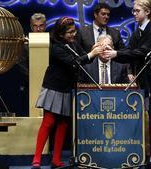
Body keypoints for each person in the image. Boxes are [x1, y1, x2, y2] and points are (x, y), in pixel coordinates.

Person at [103, 0, 151, 168]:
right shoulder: (136, 33)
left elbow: (141, 52)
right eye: (134, 11)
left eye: (137, 11)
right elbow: (130, 53)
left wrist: (116, 54)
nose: (134, 13)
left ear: (148, 12)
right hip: (147, 79)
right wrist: (126, 67)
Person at [31, 16, 102, 169]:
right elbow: (74, 62)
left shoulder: (74, 44)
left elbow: (84, 58)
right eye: (69, 32)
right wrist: (91, 54)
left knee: (63, 124)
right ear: (61, 34)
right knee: (48, 122)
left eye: (74, 31)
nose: (73, 34)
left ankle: (56, 160)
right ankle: (36, 159)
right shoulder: (56, 47)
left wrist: (94, 50)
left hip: (67, 88)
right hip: (54, 88)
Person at [76, 2, 134, 82]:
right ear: (95, 14)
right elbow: (78, 54)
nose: (106, 17)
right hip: (88, 75)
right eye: (103, 14)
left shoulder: (115, 33)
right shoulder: (82, 32)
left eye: (108, 14)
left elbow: (123, 54)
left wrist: (129, 72)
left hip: (112, 75)